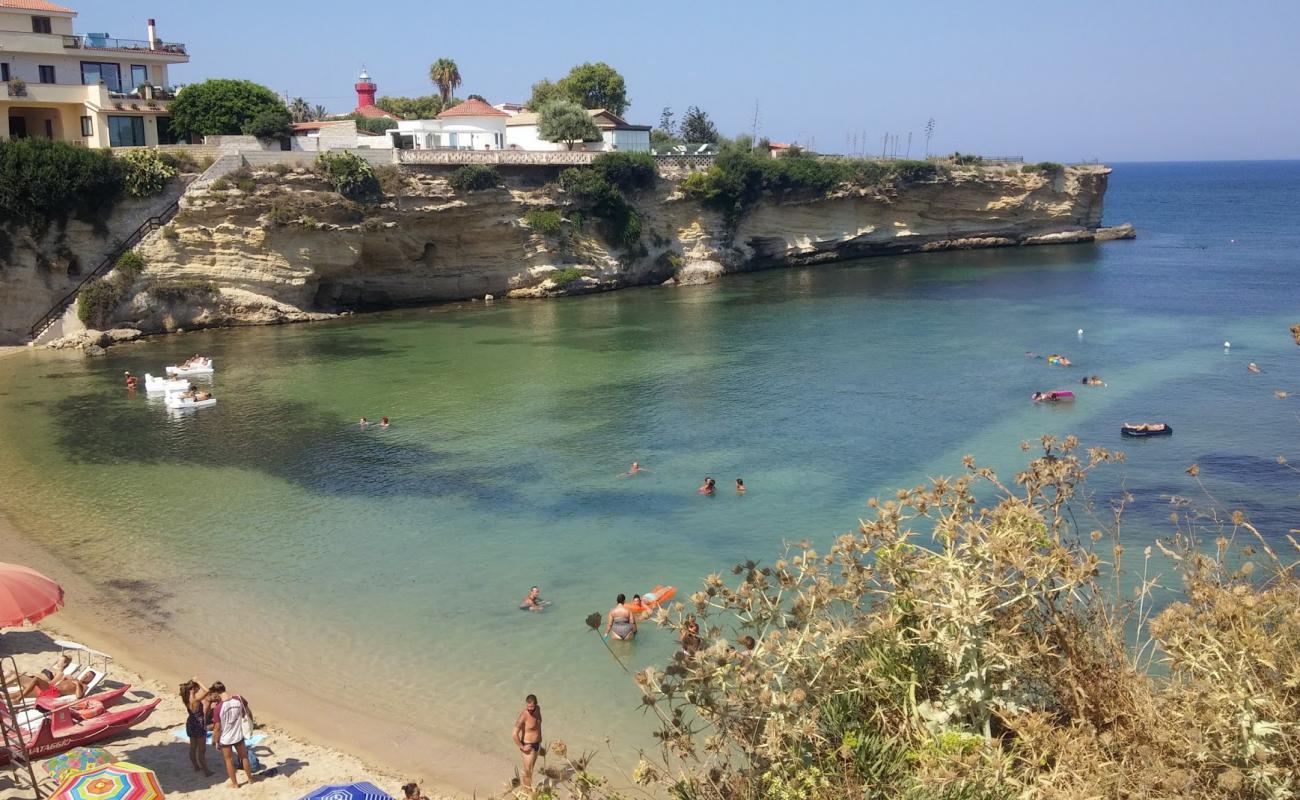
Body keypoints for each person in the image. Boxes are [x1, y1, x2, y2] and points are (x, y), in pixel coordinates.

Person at [210, 682, 256, 789]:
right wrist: (250, 722)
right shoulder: (238, 698)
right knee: (244, 757)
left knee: (229, 761)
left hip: (226, 738)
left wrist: (216, 741)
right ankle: (250, 779)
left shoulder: (218, 708)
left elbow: (217, 728)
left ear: (216, 693)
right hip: (238, 735)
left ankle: (235, 784)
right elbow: (247, 710)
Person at [181, 679, 214, 776]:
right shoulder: (195, 699)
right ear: (193, 689)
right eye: (197, 687)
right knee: (202, 750)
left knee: (193, 747)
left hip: (191, 723)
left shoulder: (186, 699)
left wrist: (192, 689)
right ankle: (206, 771)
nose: (199, 689)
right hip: (198, 725)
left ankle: (196, 766)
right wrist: (199, 680)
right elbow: (207, 691)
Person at [512, 694, 543, 792]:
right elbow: (514, 734)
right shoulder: (523, 716)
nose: (530, 709)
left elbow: (538, 726)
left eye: (532, 707)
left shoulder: (538, 709)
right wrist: (522, 747)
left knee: (530, 771)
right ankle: (528, 793)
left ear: (536, 705)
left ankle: (526, 791)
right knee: (527, 771)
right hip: (527, 746)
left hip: (537, 745)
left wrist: (539, 740)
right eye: (528, 707)